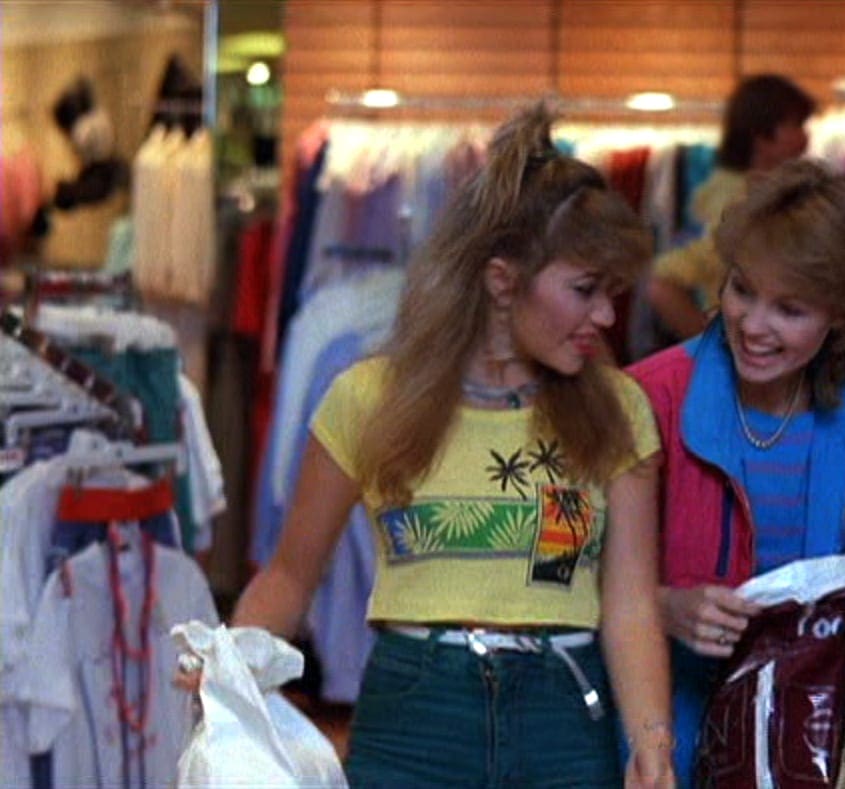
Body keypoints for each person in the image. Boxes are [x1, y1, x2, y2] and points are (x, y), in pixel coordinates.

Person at [222, 106, 674, 788]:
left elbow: (630, 601)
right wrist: (227, 672)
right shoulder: (370, 397)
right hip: (414, 718)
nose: (607, 317)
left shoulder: (617, 409)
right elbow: (289, 574)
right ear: (501, 280)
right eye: (585, 291)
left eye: (611, 294)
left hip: (563, 718)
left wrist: (652, 741)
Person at [628, 160, 845, 783]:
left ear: (841, 315)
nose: (752, 324)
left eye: (790, 308)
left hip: (806, 733)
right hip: (668, 730)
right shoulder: (650, 397)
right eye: (742, 289)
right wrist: (664, 606)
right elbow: (563, 581)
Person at [644, 74, 816, 342]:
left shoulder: (751, 190)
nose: (805, 135)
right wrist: (710, 347)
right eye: (796, 124)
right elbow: (662, 281)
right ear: (762, 134)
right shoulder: (738, 200)